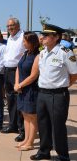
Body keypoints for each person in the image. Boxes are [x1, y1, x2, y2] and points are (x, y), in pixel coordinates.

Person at [30, 24, 77, 161]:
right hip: (42, 94)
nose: (42, 37)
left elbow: (74, 74)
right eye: (42, 35)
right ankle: (44, 151)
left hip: (58, 95)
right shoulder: (43, 52)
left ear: (56, 37)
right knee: (43, 124)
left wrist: (62, 86)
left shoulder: (65, 52)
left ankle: (63, 156)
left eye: (46, 35)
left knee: (58, 127)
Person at [14, 32, 40, 151]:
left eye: (25, 41)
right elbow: (18, 69)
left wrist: (20, 85)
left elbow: (34, 75)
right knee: (25, 115)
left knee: (32, 116)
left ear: (31, 42)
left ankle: (30, 142)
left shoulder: (37, 56)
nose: (23, 43)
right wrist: (16, 83)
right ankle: (26, 139)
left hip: (31, 90)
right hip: (21, 89)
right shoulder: (25, 53)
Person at [1, 17, 26, 143]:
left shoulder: (23, 36)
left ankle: (23, 130)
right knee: (10, 100)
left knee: (20, 102)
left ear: (18, 25)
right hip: (7, 71)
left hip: (18, 72)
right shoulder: (10, 38)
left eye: (11, 26)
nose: (9, 28)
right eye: (8, 26)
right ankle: (13, 125)